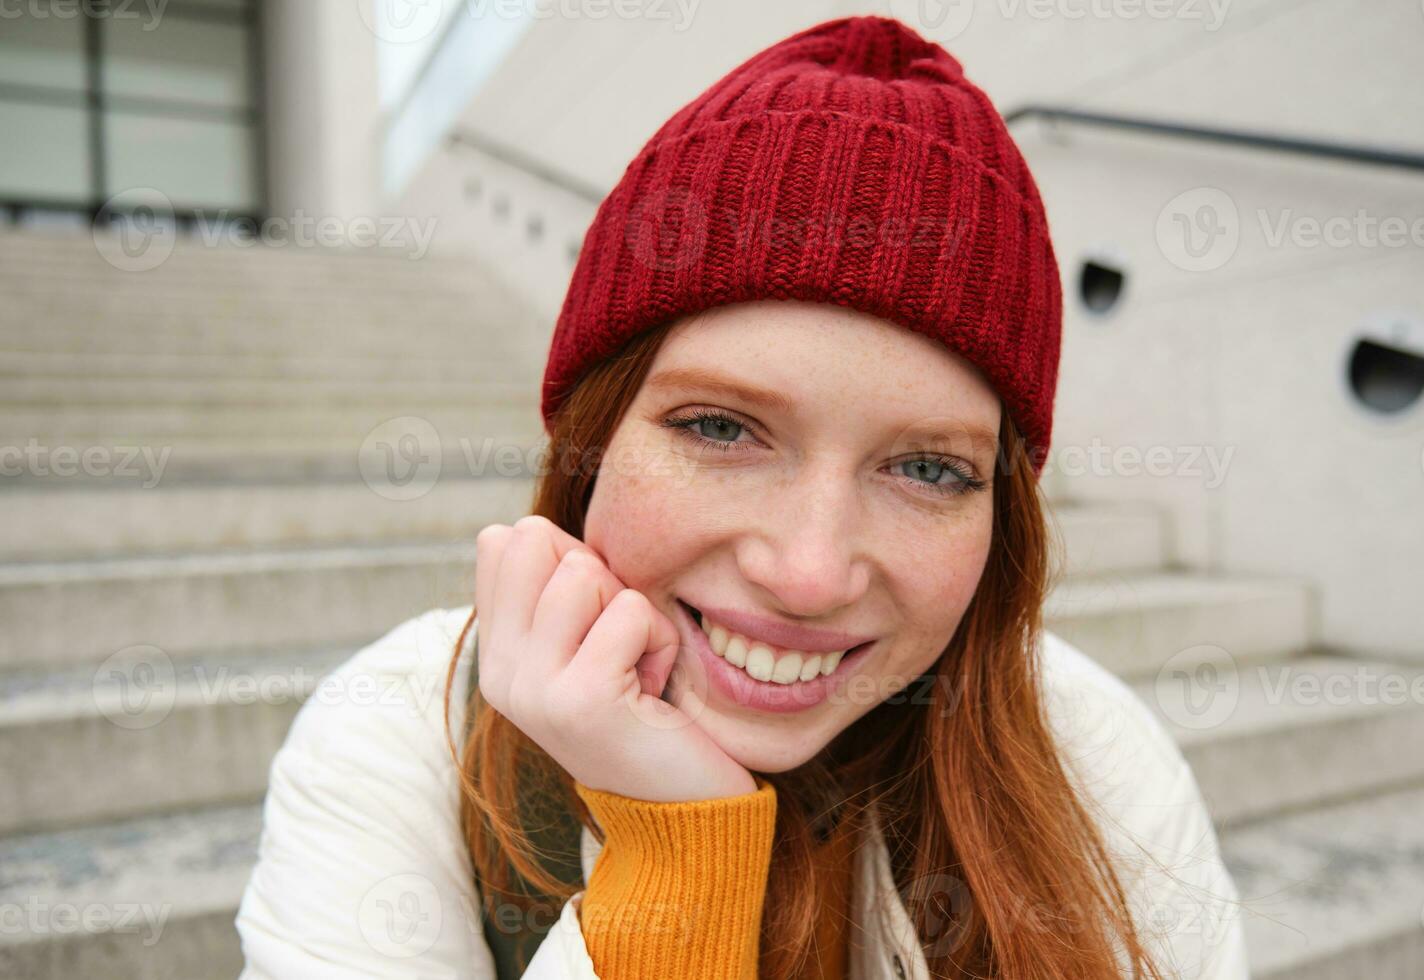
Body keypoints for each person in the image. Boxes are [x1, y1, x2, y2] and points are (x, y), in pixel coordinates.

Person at [236, 14, 1249, 979]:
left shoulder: (1090, 753)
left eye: (929, 467)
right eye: (720, 427)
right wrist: (675, 865)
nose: (809, 572)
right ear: (593, 435)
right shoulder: (403, 734)